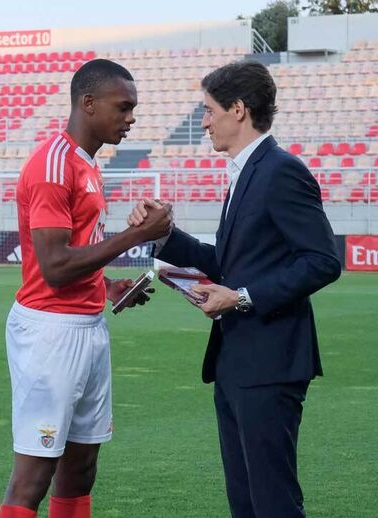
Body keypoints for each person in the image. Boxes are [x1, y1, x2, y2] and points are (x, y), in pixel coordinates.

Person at [129, 59, 341, 517]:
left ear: (238, 109)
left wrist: (241, 298)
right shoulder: (246, 171)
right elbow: (229, 264)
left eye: (208, 110)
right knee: (245, 501)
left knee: (272, 500)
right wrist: (162, 235)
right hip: (236, 360)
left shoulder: (281, 170)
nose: (203, 121)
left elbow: (323, 261)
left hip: (270, 362)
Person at [0, 59, 173, 518]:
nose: (131, 118)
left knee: (81, 465)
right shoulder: (54, 165)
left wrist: (107, 286)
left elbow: (77, 251)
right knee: (34, 473)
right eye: (124, 107)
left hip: (86, 323)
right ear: (88, 104)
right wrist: (138, 235)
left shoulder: (85, 163)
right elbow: (54, 266)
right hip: (51, 333)